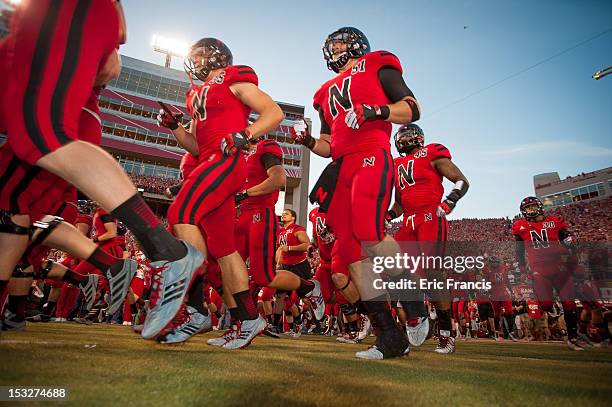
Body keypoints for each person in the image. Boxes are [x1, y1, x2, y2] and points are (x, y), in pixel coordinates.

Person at [0, 0, 203, 341]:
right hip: (50, 23)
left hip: (63, 14)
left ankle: (165, 252)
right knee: (10, 203)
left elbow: (107, 63)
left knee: (39, 136)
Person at [292, 27, 420, 359]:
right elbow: (328, 144)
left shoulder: (378, 63)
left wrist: (376, 111)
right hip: (341, 168)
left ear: (355, 44)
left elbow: (411, 108)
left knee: (368, 232)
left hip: (371, 154)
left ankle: (413, 296)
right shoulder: (322, 93)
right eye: (329, 46)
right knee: (349, 253)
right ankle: (389, 336)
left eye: (337, 44)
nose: (332, 50)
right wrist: (307, 141)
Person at [158, 37, 284, 349]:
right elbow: (197, 147)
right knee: (224, 249)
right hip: (209, 160)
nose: (196, 60)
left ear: (217, 57)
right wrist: (176, 128)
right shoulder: (194, 94)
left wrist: (246, 133)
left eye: (201, 54)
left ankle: (196, 307)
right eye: (194, 55)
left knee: (180, 214)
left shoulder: (233, 77)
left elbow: (273, 112)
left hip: (226, 162)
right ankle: (249, 318)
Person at [387, 124, 469, 353]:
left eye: (407, 134)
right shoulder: (396, 164)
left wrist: (450, 200)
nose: (402, 139)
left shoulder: (432, 152)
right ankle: (418, 314)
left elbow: (461, 180)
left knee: (434, 273)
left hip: (431, 216)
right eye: (400, 135)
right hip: (408, 222)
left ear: (418, 137)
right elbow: (400, 204)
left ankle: (446, 331)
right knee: (397, 270)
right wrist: (387, 215)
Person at [233, 140, 324, 339]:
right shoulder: (238, 154)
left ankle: (310, 288)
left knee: (262, 276)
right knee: (232, 270)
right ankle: (243, 322)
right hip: (243, 215)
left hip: (260, 213)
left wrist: (245, 193)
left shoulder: (264, 147)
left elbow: (279, 179)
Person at [512, 196, 583, 350]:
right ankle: (554, 323)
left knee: (569, 303)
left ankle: (573, 338)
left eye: (532, 206)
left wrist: (571, 240)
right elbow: (519, 251)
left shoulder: (555, 221)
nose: (531, 210)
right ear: (523, 211)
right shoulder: (520, 226)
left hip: (560, 269)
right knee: (546, 304)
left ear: (540, 207)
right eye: (528, 208)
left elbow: (567, 236)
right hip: (539, 271)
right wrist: (523, 269)